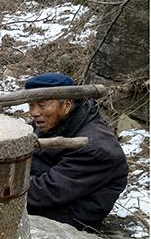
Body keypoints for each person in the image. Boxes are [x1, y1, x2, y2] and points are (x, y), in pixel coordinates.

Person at [25, 72, 129, 229]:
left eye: (42, 104)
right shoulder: (51, 121)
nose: (34, 112)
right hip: (44, 198)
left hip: (67, 218)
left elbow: (47, 191)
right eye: (31, 105)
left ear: (66, 105)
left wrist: (0, 189)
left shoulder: (95, 148)